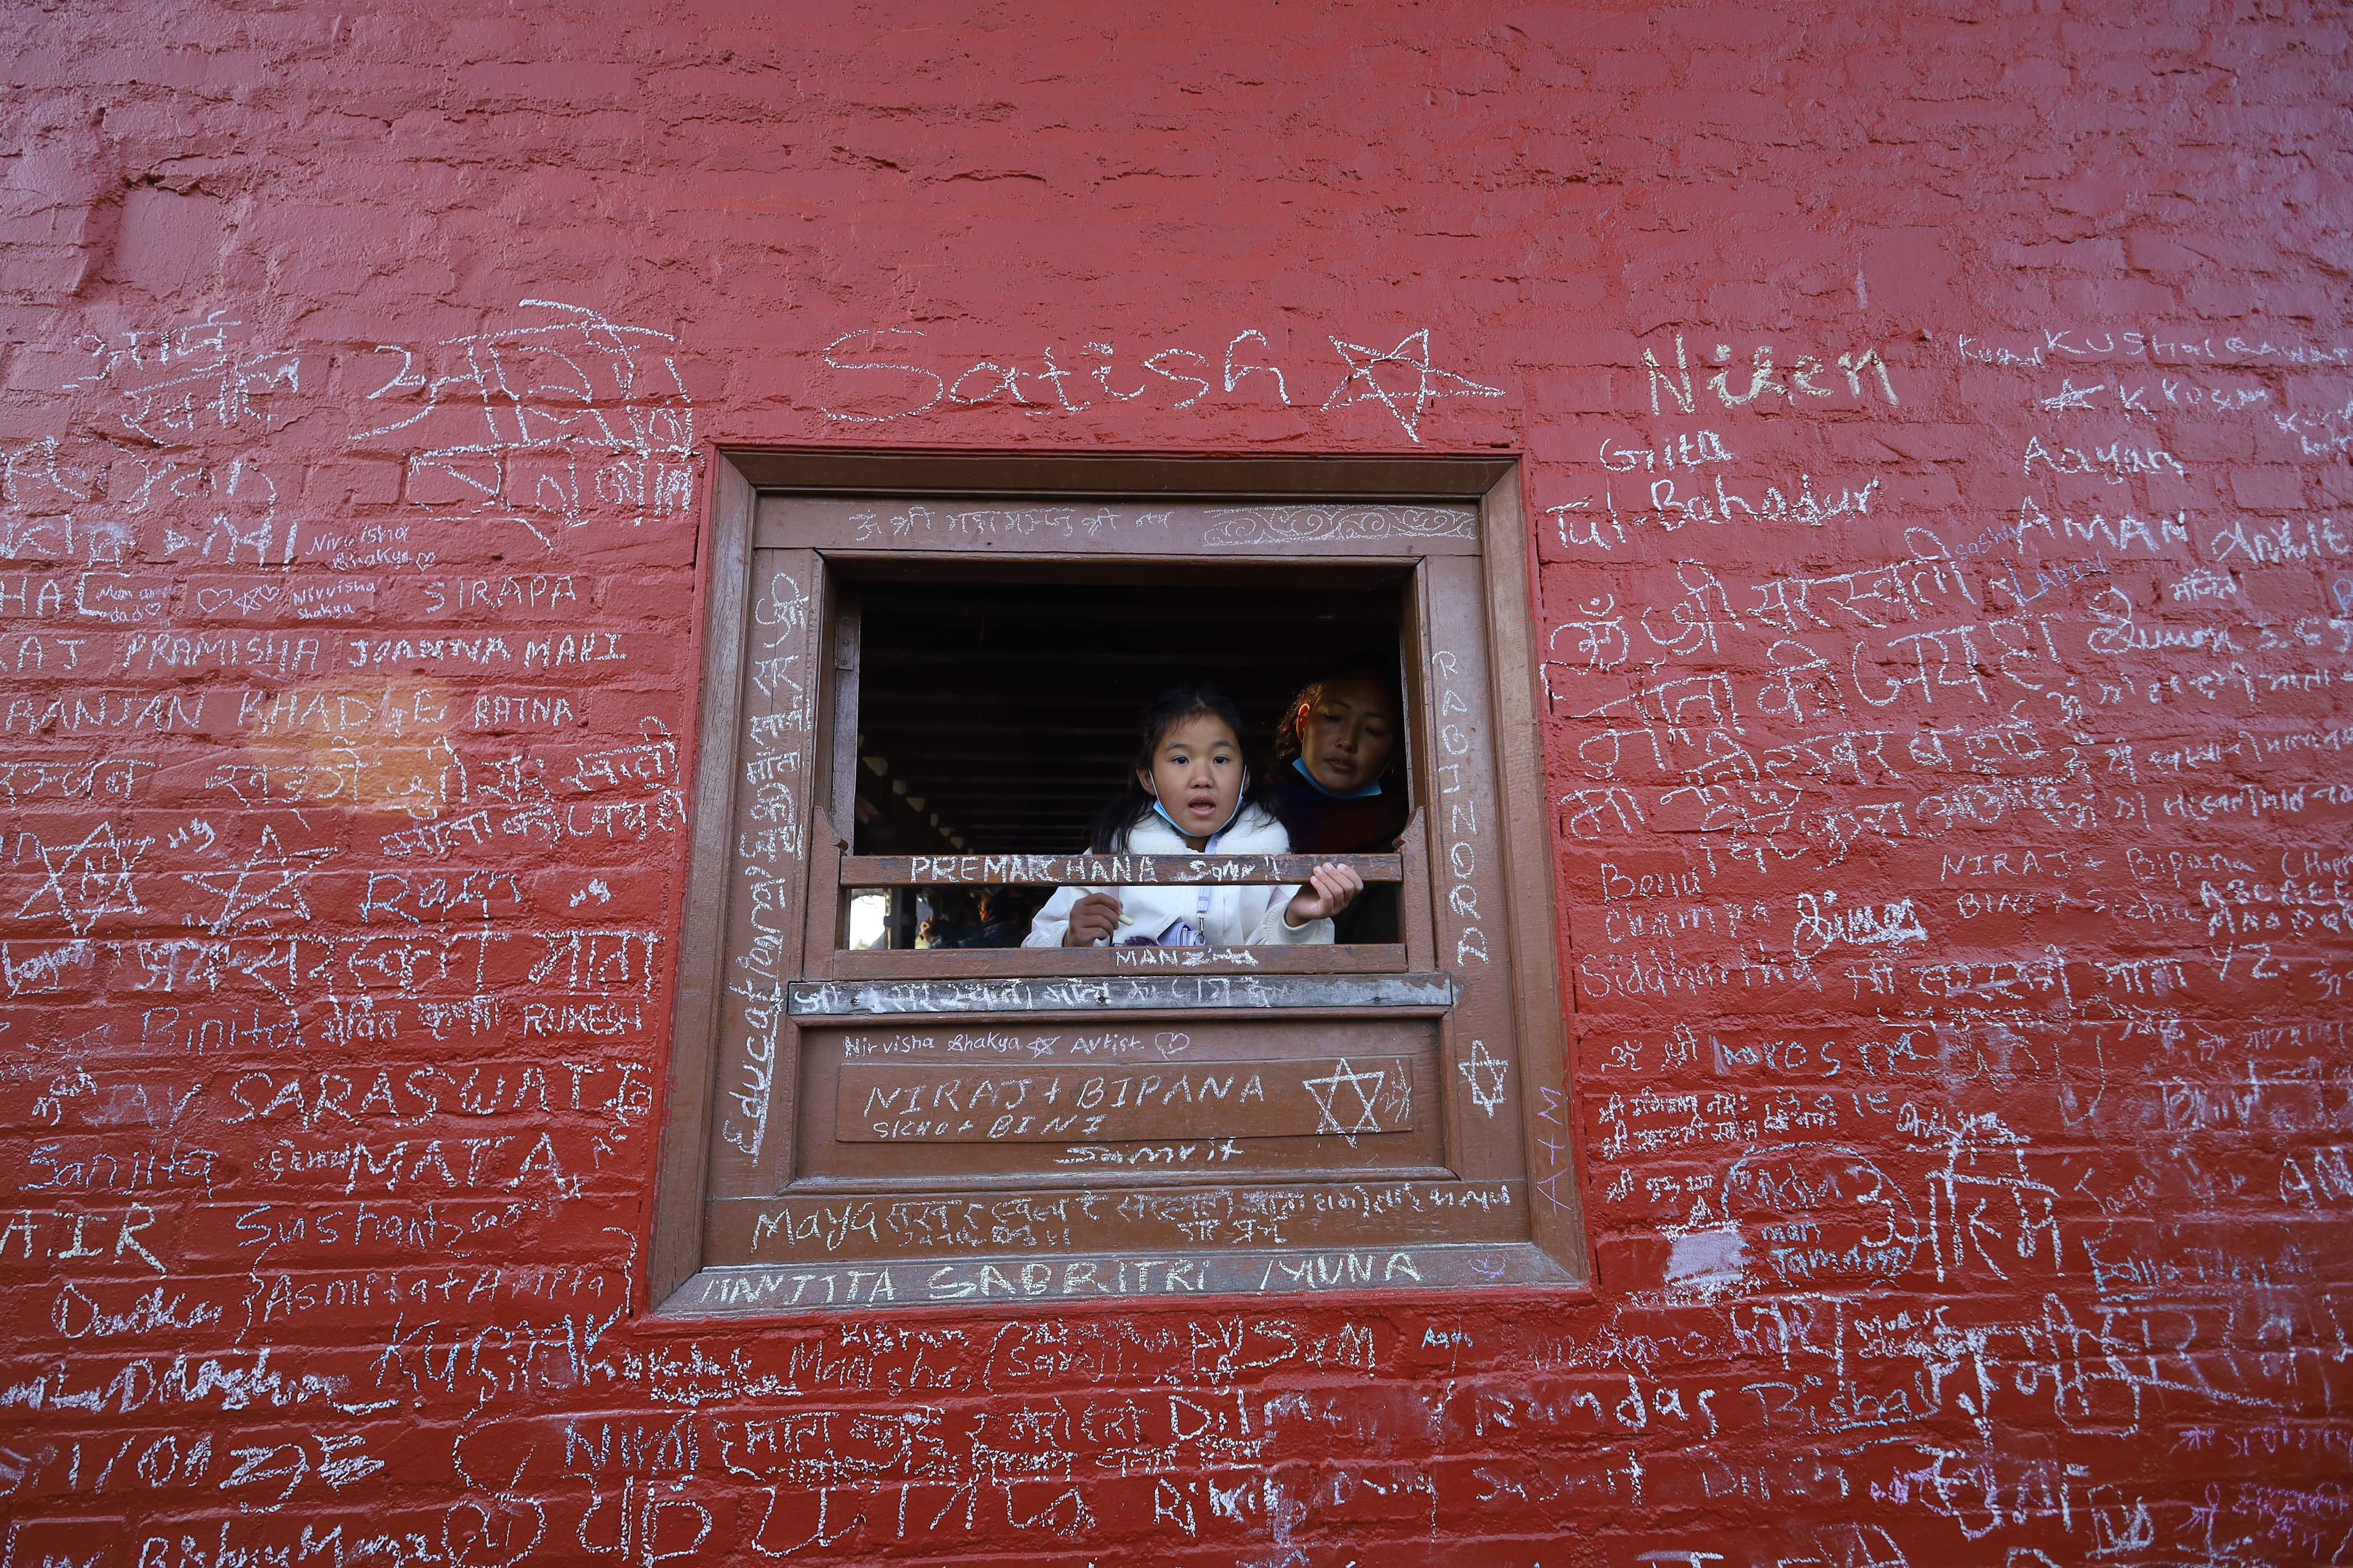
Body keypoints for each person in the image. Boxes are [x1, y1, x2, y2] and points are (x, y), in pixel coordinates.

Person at [1024, 687, 1363, 948]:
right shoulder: (1113, 852)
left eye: (1220, 759)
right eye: (1181, 760)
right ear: (1147, 778)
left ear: (1245, 778)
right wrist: (1071, 937)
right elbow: (1034, 946)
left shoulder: (1273, 854)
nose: (1202, 777)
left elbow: (1293, 970)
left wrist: (1294, 919)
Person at [1264, 667, 1410, 943]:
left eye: (1374, 730)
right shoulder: (1249, 809)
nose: (1348, 741)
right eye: (1333, 717)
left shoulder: (1403, 836)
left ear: (1396, 749)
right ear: (1303, 723)